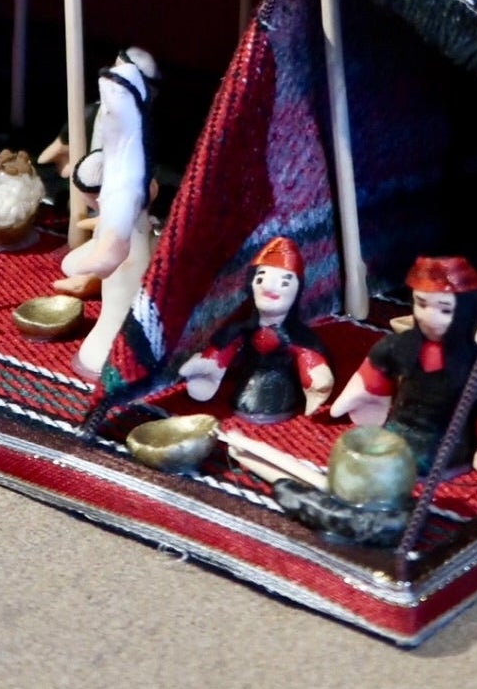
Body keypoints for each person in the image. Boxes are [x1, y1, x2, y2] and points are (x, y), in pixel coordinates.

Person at [330, 255, 477, 481]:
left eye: (445, 310)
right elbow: (378, 363)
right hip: (399, 427)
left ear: (464, 312)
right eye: (421, 303)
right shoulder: (402, 345)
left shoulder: (474, 367)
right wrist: (363, 393)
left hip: (447, 443)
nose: (429, 317)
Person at [60, 47, 159, 380]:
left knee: (122, 303)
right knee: (115, 297)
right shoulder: (117, 163)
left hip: (129, 251)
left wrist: (95, 254)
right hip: (122, 242)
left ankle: (124, 352)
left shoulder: (128, 173)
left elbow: (114, 240)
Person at [178, 236, 333, 424]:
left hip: (281, 390)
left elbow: (308, 355)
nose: (269, 287)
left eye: (284, 282)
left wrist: (316, 376)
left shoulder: (297, 336)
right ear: (251, 285)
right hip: (246, 385)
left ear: (297, 290)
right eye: (261, 278)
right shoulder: (242, 330)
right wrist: (210, 364)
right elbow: (226, 347)